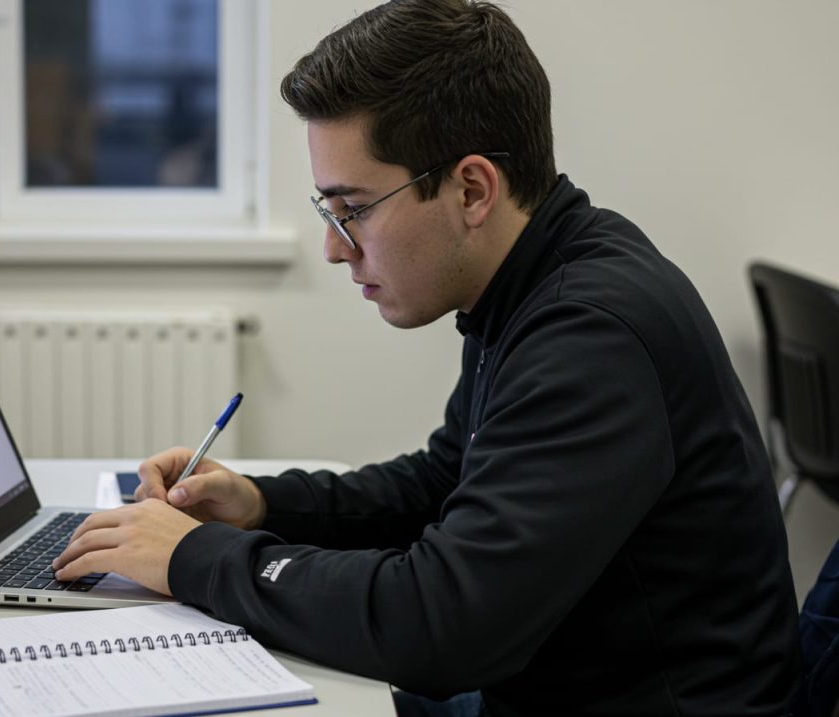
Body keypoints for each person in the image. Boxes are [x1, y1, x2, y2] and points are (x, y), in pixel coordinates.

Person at [53, 1, 801, 714]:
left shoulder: (590, 334)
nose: (334, 247)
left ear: (471, 188)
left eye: (354, 209)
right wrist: (262, 503)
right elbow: (447, 480)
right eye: (328, 211)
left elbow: (442, 625)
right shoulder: (538, 276)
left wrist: (196, 559)